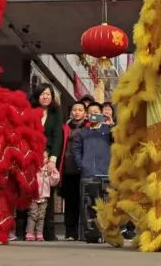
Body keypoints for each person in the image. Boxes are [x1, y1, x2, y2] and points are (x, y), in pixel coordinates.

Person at [72, 101, 113, 242]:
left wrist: (111, 124)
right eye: (90, 113)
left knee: (107, 205)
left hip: (106, 173)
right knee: (88, 205)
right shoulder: (83, 132)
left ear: (101, 114)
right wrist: (81, 164)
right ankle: (92, 235)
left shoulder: (109, 131)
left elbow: (120, 141)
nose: (93, 115)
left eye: (96, 113)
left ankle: (108, 234)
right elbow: (76, 149)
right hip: (88, 174)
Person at [30, 83, 63, 239]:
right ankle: (26, 230)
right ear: (37, 96)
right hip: (30, 155)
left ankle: (46, 232)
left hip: (48, 156)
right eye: (42, 94)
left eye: (48, 94)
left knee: (47, 194)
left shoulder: (56, 112)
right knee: (29, 192)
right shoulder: (30, 109)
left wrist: (52, 160)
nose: (45, 96)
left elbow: (57, 136)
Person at [60, 101, 87, 240]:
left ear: (85, 113)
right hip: (67, 168)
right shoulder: (66, 127)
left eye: (80, 110)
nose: (77, 112)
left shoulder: (88, 126)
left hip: (82, 168)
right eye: (74, 109)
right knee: (69, 201)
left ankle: (80, 231)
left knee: (81, 200)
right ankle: (69, 231)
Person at [26, 151, 61, 241]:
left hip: (44, 196)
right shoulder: (33, 167)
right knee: (33, 215)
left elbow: (53, 183)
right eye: (41, 157)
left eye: (45, 157)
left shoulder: (47, 169)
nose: (43, 159)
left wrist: (54, 173)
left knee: (41, 216)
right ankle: (30, 233)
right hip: (33, 196)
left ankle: (39, 234)